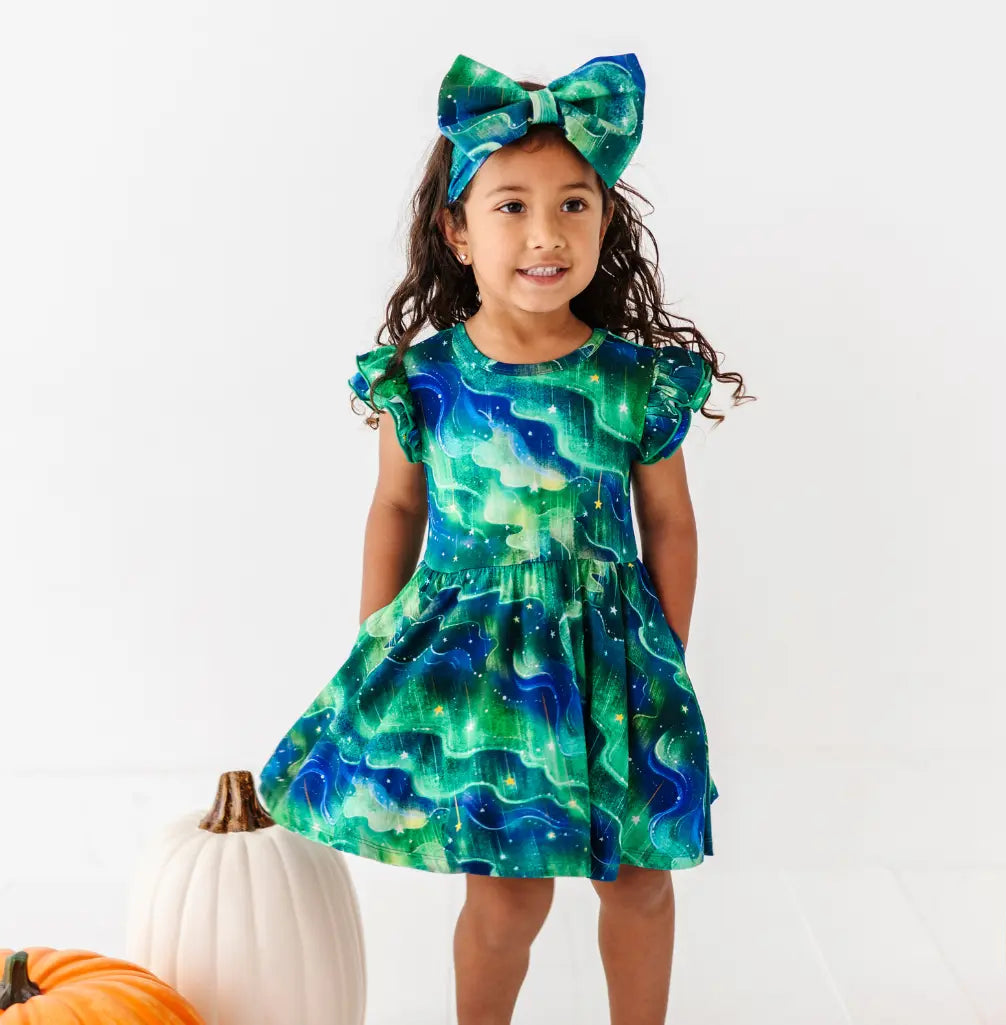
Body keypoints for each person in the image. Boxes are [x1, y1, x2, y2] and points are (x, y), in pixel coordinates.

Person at [258, 51, 751, 1025]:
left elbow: (668, 520)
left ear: (605, 219)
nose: (544, 232)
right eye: (510, 205)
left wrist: (666, 658)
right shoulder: (427, 379)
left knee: (641, 879)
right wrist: (375, 635)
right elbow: (396, 508)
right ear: (455, 228)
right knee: (505, 892)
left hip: (617, 660)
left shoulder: (629, 380)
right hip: (480, 679)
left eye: (573, 203)